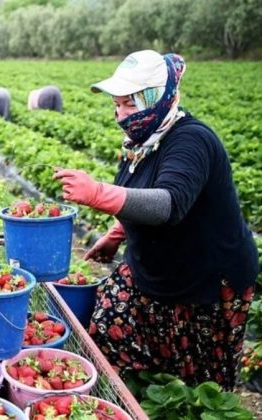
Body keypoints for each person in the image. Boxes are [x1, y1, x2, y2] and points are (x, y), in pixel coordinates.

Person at [54, 50, 258, 389]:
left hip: (204, 277)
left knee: (196, 384)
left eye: (130, 104)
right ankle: (129, 400)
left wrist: (97, 193)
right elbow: (140, 189)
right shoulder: (142, 142)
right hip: (152, 264)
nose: (121, 114)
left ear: (160, 98)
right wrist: (118, 234)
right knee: (107, 327)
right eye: (117, 104)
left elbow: (168, 203)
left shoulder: (192, 140)